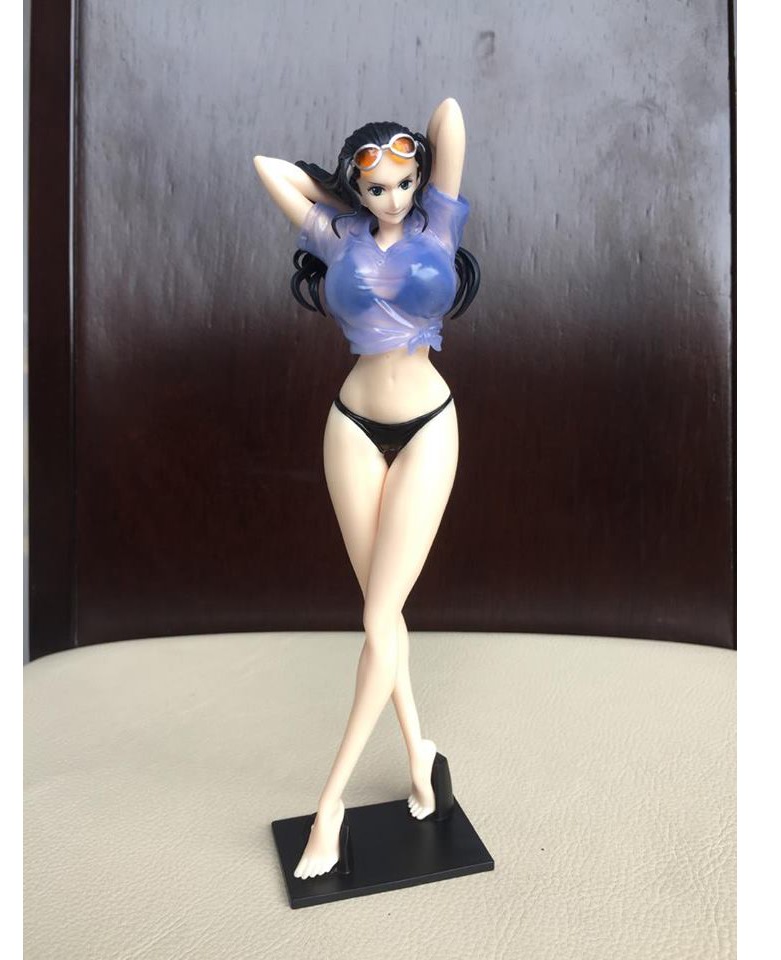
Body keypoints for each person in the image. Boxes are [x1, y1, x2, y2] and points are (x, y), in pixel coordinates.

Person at [253, 97, 479, 880]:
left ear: (420, 178)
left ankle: (331, 804)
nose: (394, 197)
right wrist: (342, 191)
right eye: (377, 187)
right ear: (358, 188)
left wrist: (401, 151)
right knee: (384, 617)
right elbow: (269, 170)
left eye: (403, 182)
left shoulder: (439, 221)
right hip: (349, 427)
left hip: (428, 427)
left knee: (379, 617)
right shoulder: (337, 233)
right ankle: (420, 760)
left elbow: (450, 116)